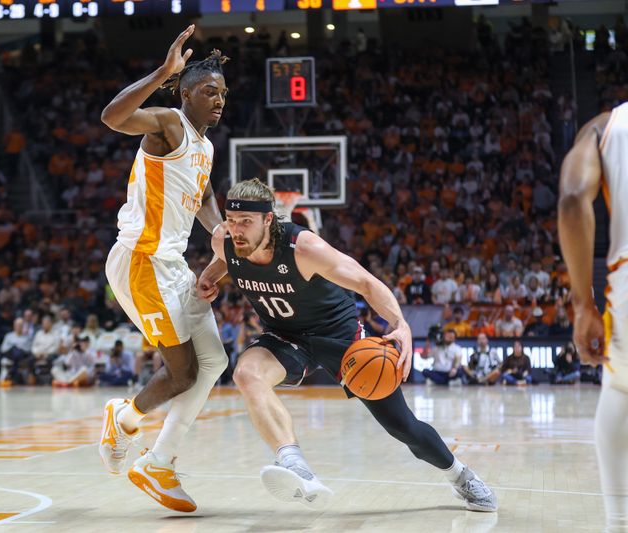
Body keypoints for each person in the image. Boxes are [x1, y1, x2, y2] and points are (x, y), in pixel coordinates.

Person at [197, 179, 496, 512]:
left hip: (340, 337)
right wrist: (210, 274)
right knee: (247, 374)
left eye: (246, 222)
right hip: (285, 335)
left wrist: (402, 325)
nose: (236, 230)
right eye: (232, 220)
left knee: (402, 426)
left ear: (269, 220)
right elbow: (227, 258)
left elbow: (367, 283)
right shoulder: (224, 240)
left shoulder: (304, 249)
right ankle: (296, 466)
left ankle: (460, 475)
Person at [98, 24, 229, 512]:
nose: (219, 100)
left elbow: (204, 197)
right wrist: (163, 71)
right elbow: (113, 117)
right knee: (182, 373)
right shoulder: (169, 123)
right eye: (209, 91)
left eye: (223, 93)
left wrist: (218, 231)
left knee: (214, 363)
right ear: (186, 93)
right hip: (141, 261)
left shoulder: (206, 146)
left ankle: (158, 462)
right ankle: (125, 420)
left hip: (171, 263)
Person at [558, 105, 628, 530]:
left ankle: (618, 521)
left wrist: (583, 304)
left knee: (620, 389)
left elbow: (570, 200)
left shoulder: (606, 127)